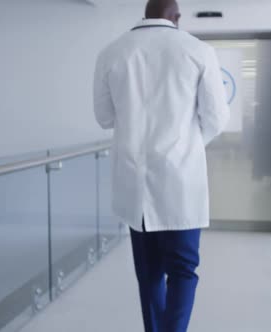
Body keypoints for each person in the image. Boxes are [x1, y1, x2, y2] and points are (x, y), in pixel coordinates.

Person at [93, 0, 230, 331]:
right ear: (177, 17)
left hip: (133, 185)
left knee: (149, 273)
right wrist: (188, 146)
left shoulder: (112, 52)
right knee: (183, 271)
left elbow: (104, 118)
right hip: (180, 182)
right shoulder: (197, 51)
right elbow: (216, 118)